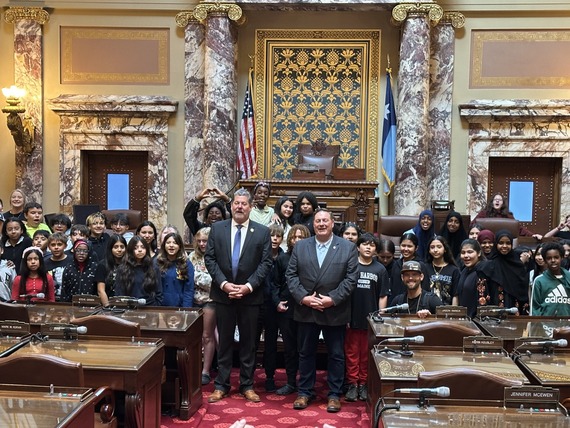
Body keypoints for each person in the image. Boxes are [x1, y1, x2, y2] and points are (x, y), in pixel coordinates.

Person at [286, 208, 358, 414]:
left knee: (336, 354)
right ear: (313, 224)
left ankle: (334, 394)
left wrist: (332, 299)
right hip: (307, 309)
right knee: (305, 353)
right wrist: (304, 298)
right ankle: (304, 392)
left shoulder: (347, 247)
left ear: (332, 223)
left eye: (325, 220)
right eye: (318, 221)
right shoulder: (301, 246)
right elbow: (291, 276)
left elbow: (351, 279)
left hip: (334, 310)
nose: (321, 224)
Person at [204, 188, 273, 404]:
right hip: (223, 295)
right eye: (236, 203)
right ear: (231, 205)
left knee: (248, 343)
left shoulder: (262, 232)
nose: (239, 207)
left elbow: (265, 263)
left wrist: (248, 287)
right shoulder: (217, 228)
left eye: (244, 203)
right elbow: (210, 259)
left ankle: (247, 385)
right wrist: (224, 285)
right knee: (224, 341)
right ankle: (221, 385)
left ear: (250, 207)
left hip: (250, 297)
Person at [344, 233, 387, 403]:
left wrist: (380, 316)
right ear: (357, 247)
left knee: (366, 354)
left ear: (376, 249)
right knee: (352, 353)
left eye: (372, 245)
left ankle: (363, 384)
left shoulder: (380, 269)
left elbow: (383, 295)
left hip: (371, 319)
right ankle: (352, 384)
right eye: (365, 244)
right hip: (352, 317)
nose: (368, 247)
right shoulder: (350, 266)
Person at [270, 224, 310, 395]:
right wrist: (277, 302)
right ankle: (291, 382)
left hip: (307, 309)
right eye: (294, 237)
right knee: (289, 349)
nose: (297, 240)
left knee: (305, 349)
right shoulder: (282, 259)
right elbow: (274, 284)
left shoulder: (312, 258)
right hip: (287, 309)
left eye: (301, 237)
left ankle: (306, 384)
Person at [258, 223, 284, 392]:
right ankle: (247, 378)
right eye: (271, 235)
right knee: (252, 342)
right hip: (258, 303)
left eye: (278, 236)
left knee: (271, 343)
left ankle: (269, 377)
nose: (274, 239)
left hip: (275, 306)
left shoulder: (284, 257)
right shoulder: (259, 255)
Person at [189, 227, 217, 385]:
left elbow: (216, 281)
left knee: (207, 336)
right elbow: (188, 276)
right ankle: (193, 368)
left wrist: (198, 278)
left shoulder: (217, 256)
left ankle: (205, 371)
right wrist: (203, 279)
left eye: (204, 241)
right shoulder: (192, 256)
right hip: (192, 300)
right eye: (199, 241)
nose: (201, 244)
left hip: (210, 301)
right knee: (193, 337)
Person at [478, 230, 530, 314]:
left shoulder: (518, 266)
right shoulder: (488, 266)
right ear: (496, 244)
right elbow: (483, 294)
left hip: (515, 312)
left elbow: (523, 294)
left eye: (508, 243)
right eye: (501, 243)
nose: (504, 246)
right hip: (494, 313)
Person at [114, 235, 163, 306]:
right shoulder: (122, 269)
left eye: (143, 247)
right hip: (129, 308)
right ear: (131, 250)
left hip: (150, 308)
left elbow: (159, 294)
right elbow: (119, 294)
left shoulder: (153, 268)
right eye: (135, 248)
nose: (140, 250)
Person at [472, 193, 542, 239]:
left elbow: (519, 228)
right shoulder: (483, 213)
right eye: (495, 200)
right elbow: (473, 225)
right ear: (492, 202)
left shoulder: (508, 215)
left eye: (499, 200)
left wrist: (532, 235)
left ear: (503, 203)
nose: (497, 201)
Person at [388, 233, 430, 306]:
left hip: (416, 305)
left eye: (409, 246)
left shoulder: (421, 265)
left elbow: (425, 289)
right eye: (403, 246)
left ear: (416, 248)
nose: (406, 249)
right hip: (397, 304)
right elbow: (392, 288)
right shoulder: (396, 264)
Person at [531, 242, 570, 316]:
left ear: (562, 258)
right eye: (549, 258)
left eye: (556, 257)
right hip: (545, 323)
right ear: (545, 260)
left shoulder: (568, 278)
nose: (553, 260)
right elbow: (535, 309)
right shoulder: (539, 281)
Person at [157, 231, 194, 307]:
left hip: (179, 307)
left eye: (175, 243)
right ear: (164, 246)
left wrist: (186, 310)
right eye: (168, 243)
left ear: (179, 246)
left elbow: (188, 290)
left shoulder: (186, 264)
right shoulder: (157, 262)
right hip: (160, 306)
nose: (171, 245)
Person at [457, 239, 490, 318]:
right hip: (465, 319)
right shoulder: (464, 270)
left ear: (479, 253)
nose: (466, 255)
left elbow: (483, 302)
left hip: (479, 320)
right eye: (463, 252)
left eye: (470, 252)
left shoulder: (483, 271)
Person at [424, 236, 460, 306]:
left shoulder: (454, 270)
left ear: (445, 249)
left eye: (439, 247)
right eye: (432, 247)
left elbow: (455, 295)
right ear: (429, 250)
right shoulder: (424, 268)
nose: (435, 250)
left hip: (447, 309)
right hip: (428, 309)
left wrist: (453, 311)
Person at [95, 234, 127, 307]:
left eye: (122, 247)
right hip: (108, 305)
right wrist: (107, 307)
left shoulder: (129, 264)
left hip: (126, 305)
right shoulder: (102, 265)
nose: (119, 250)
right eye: (116, 247)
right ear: (110, 248)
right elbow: (101, 290)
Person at [44, 232, 73, 301]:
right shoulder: (44, 263)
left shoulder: (72, 261)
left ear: (65, 246)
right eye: (53, 245)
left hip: (69, 299)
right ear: (49, 247)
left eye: (59, 244)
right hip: (51, 299)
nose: (56, 247)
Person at [377, 239, 396, 310]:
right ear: (377, 254)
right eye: (382, 257)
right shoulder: (373, 265)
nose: (385, 260)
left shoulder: (397, 266)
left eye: (388, 257)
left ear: (393, 255)